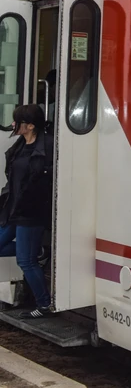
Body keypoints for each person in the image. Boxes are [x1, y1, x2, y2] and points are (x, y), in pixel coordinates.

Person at [0, 105, 54, 318]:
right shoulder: (21, 144)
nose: (14, 125)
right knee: (26, 256)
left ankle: (44, 305)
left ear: (30, 125)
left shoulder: (48, 146)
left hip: (31, 212)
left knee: (25, 261)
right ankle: (38, 251)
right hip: (13, 209)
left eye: (18, 121)